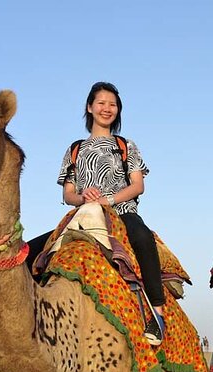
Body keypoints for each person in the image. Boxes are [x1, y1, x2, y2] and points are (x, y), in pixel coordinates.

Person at [56, 81, 166, 346]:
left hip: (122, 212)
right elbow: (67, 194)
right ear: (90, 107)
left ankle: (158, 314)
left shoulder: (125, 145)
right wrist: (83, 198)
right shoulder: (75, 149)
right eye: (101, 103)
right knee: (37, 253)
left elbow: (138, 185)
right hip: (85, 213)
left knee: (142, 239)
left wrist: (108, 200)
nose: (107, 109)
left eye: (112, 104)